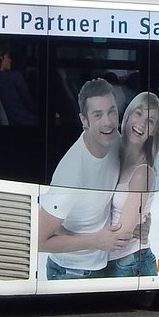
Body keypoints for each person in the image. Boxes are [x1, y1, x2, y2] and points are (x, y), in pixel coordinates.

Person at [37, 78, 142, 279]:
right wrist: (96, 241)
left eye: (111, 111)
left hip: (101, 264)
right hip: (70, 272)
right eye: (98, 115)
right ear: (84, 120)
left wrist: (140, 224)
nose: (108, 122)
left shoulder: (115, 141)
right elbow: (39, 240)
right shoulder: (71, 173)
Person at [105, 91, 159, 277]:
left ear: (155, 130)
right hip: (113, 259)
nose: (141, 123)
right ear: (129, 114)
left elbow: (123, 234)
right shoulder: (113, 154)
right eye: (138, 113)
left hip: (130, 262)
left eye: (150, 121)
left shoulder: (142, 173)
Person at [0, 45, 37, 126]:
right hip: (24, 121)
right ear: (0, 58)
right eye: (8, 57)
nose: (10, 60)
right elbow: (29, 103)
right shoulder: (14, 77)